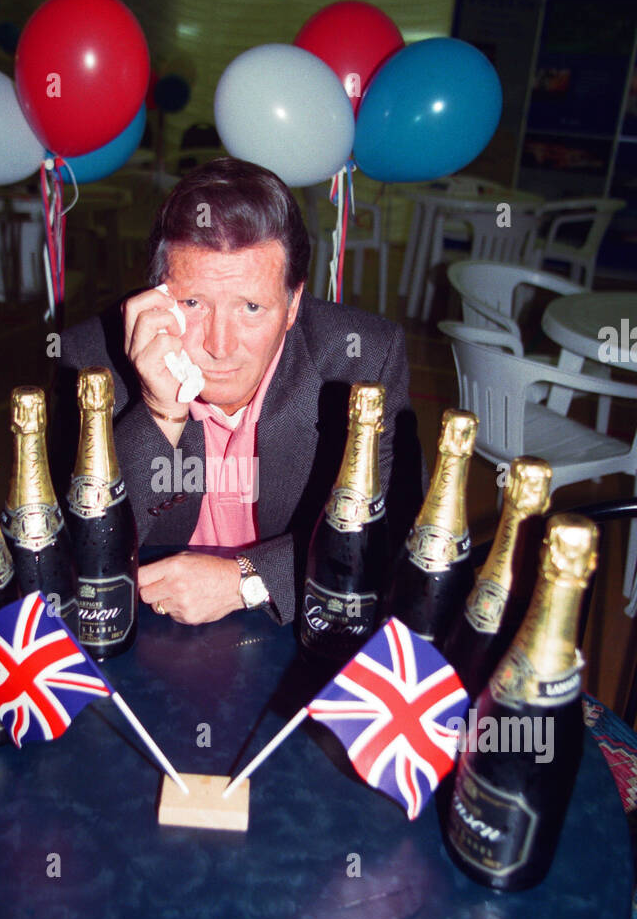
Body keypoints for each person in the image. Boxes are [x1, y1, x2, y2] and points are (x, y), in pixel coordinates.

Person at [49, 157, 426, 626]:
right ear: (159, 297)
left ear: (292, 306)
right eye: (193, 303)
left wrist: (248, 579)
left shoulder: (363, 361)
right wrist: (159, 412)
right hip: (144, 625)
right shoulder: (90, 361)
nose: (219, 345)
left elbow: (396, 526)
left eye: (251, 307)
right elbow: (68, 553)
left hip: (307, 618)